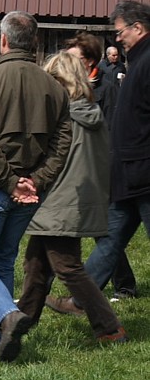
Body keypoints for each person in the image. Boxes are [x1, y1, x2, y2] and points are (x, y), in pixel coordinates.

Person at [0, 11, 72, 363]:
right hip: (29, 191)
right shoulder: (54, 87)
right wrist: (34, 181)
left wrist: (12, 182)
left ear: (4, 41)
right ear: (36, 43)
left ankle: (7, 314)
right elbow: (61, 144)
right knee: (4, 259)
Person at [47, 0, 150, 314]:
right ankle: (82, 301)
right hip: (129, 171)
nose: (117, 39)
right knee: (108, 237)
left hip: (144, 169)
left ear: (138, 27)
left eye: (120, 32)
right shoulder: (140, 59)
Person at [16, 51, 127, 344]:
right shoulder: (90, 113)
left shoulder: (66, 117)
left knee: (67, 267)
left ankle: (109, 327)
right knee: (36, 264)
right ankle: (22, 320)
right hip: (76, 199)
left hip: (60, 200)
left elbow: (53, 159)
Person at [63, 32, 137, 300]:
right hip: (76, 165)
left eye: (77, 59)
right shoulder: (68, 86)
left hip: (102, 163)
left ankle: (123, 285)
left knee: (104, 227)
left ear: (90, 60)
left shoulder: (106, 84)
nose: (71, 65)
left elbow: (112, 123)